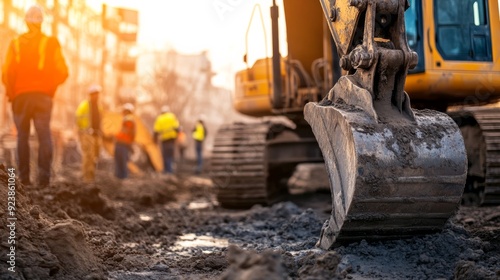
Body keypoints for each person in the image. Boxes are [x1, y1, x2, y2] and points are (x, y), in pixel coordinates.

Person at [1, 5, 69, 187]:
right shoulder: (51, 43)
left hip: (21, 98)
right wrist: (49, 89)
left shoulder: (15, 44)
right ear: (41, 22)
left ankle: (24, 180)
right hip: (42, 98)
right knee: (44, 134)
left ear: (26, 21)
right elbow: (63, 71)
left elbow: (6, 72)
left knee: (22, 136)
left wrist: (12, 94)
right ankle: (44, 179)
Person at [75, 85, 103, 183]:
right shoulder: (85, 105)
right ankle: (86, 178)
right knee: (88, 156)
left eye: (97, 94)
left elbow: (100, 120)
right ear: (90, 95)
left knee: (95, 156)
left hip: (96, 134)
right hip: (87, 134)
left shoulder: (99, 107)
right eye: (94, 94)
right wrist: (81, 131)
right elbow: (78, 118)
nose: (96, 96)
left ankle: (91, 177)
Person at [153, 105, 179, 174]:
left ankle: (167, 170)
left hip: (164, 140)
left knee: (165, 155)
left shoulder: (159, 118)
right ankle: (170, 170)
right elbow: (177, 128)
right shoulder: (172, 116)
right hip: (172, 139)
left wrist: (154, 140)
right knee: (170, 155)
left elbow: (156, 131)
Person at [114, 103, 136, 179]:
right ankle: (121, 178)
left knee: (121, 163)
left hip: (122, 144)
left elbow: (125, 132)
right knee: (121, 162)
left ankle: (122, 178)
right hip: (123, 144)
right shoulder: (127, 120)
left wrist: (115, 135)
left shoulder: (128, 119)